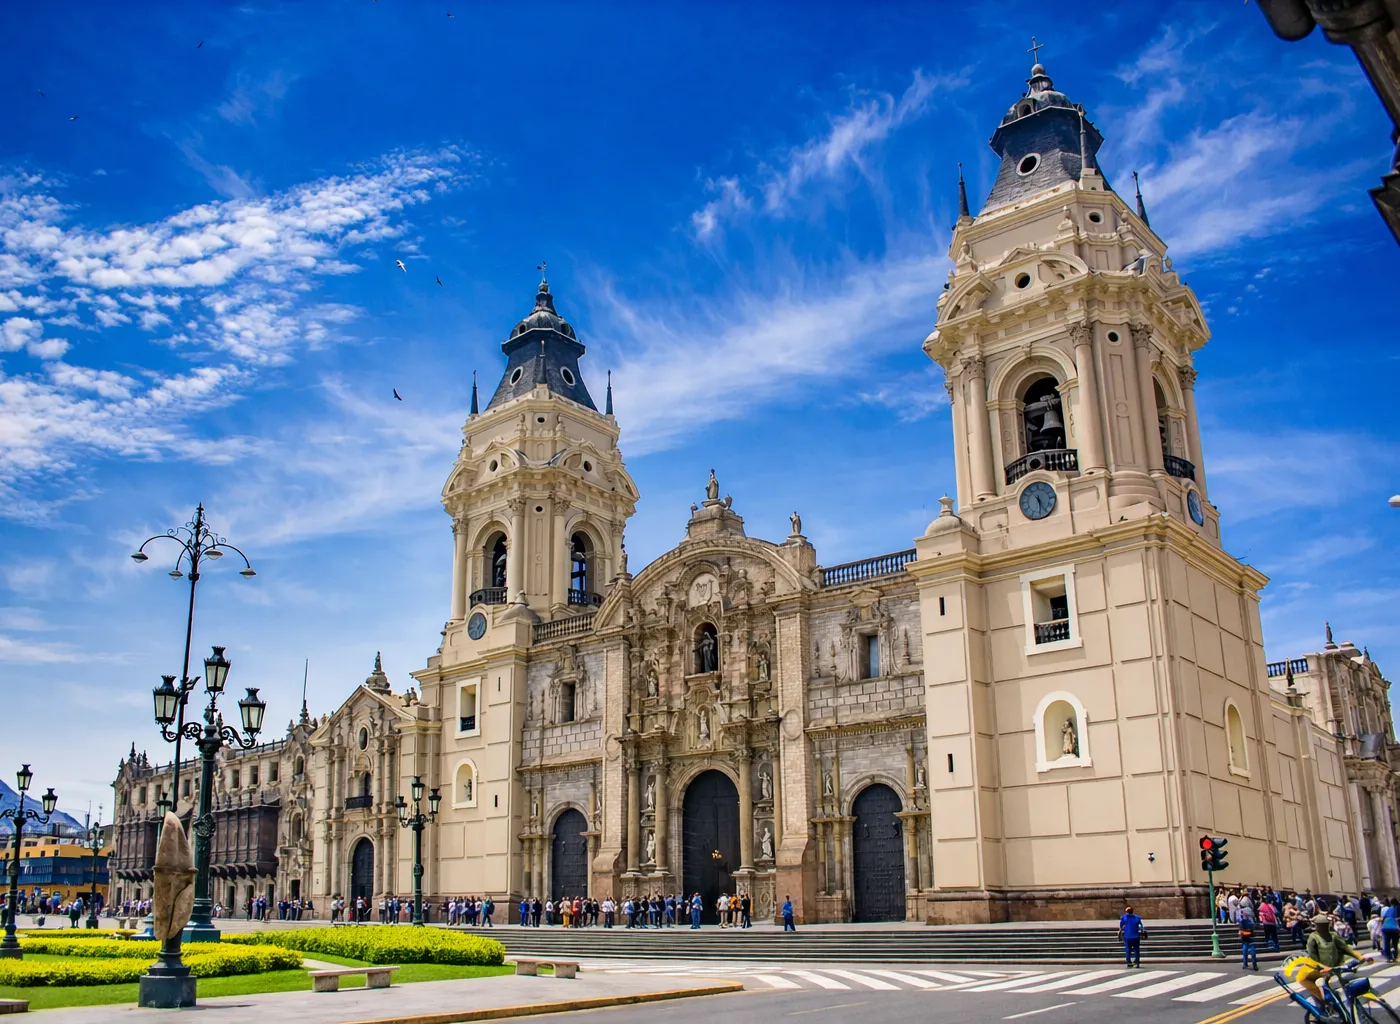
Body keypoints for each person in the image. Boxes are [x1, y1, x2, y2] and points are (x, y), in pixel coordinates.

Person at [1298, 914, 1364, 1009]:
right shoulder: (1313, 938)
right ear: (1317, 925)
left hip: (1334, 968)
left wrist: (1360, 957)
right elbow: (1312, 957)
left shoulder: (1333, 936)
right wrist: (1322, 967)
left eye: (1326, 924)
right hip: (1319, 969)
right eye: (1321, 925)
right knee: (1311, 983)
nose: (1324, 927)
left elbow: (1345, 948)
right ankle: (1322, 1005)